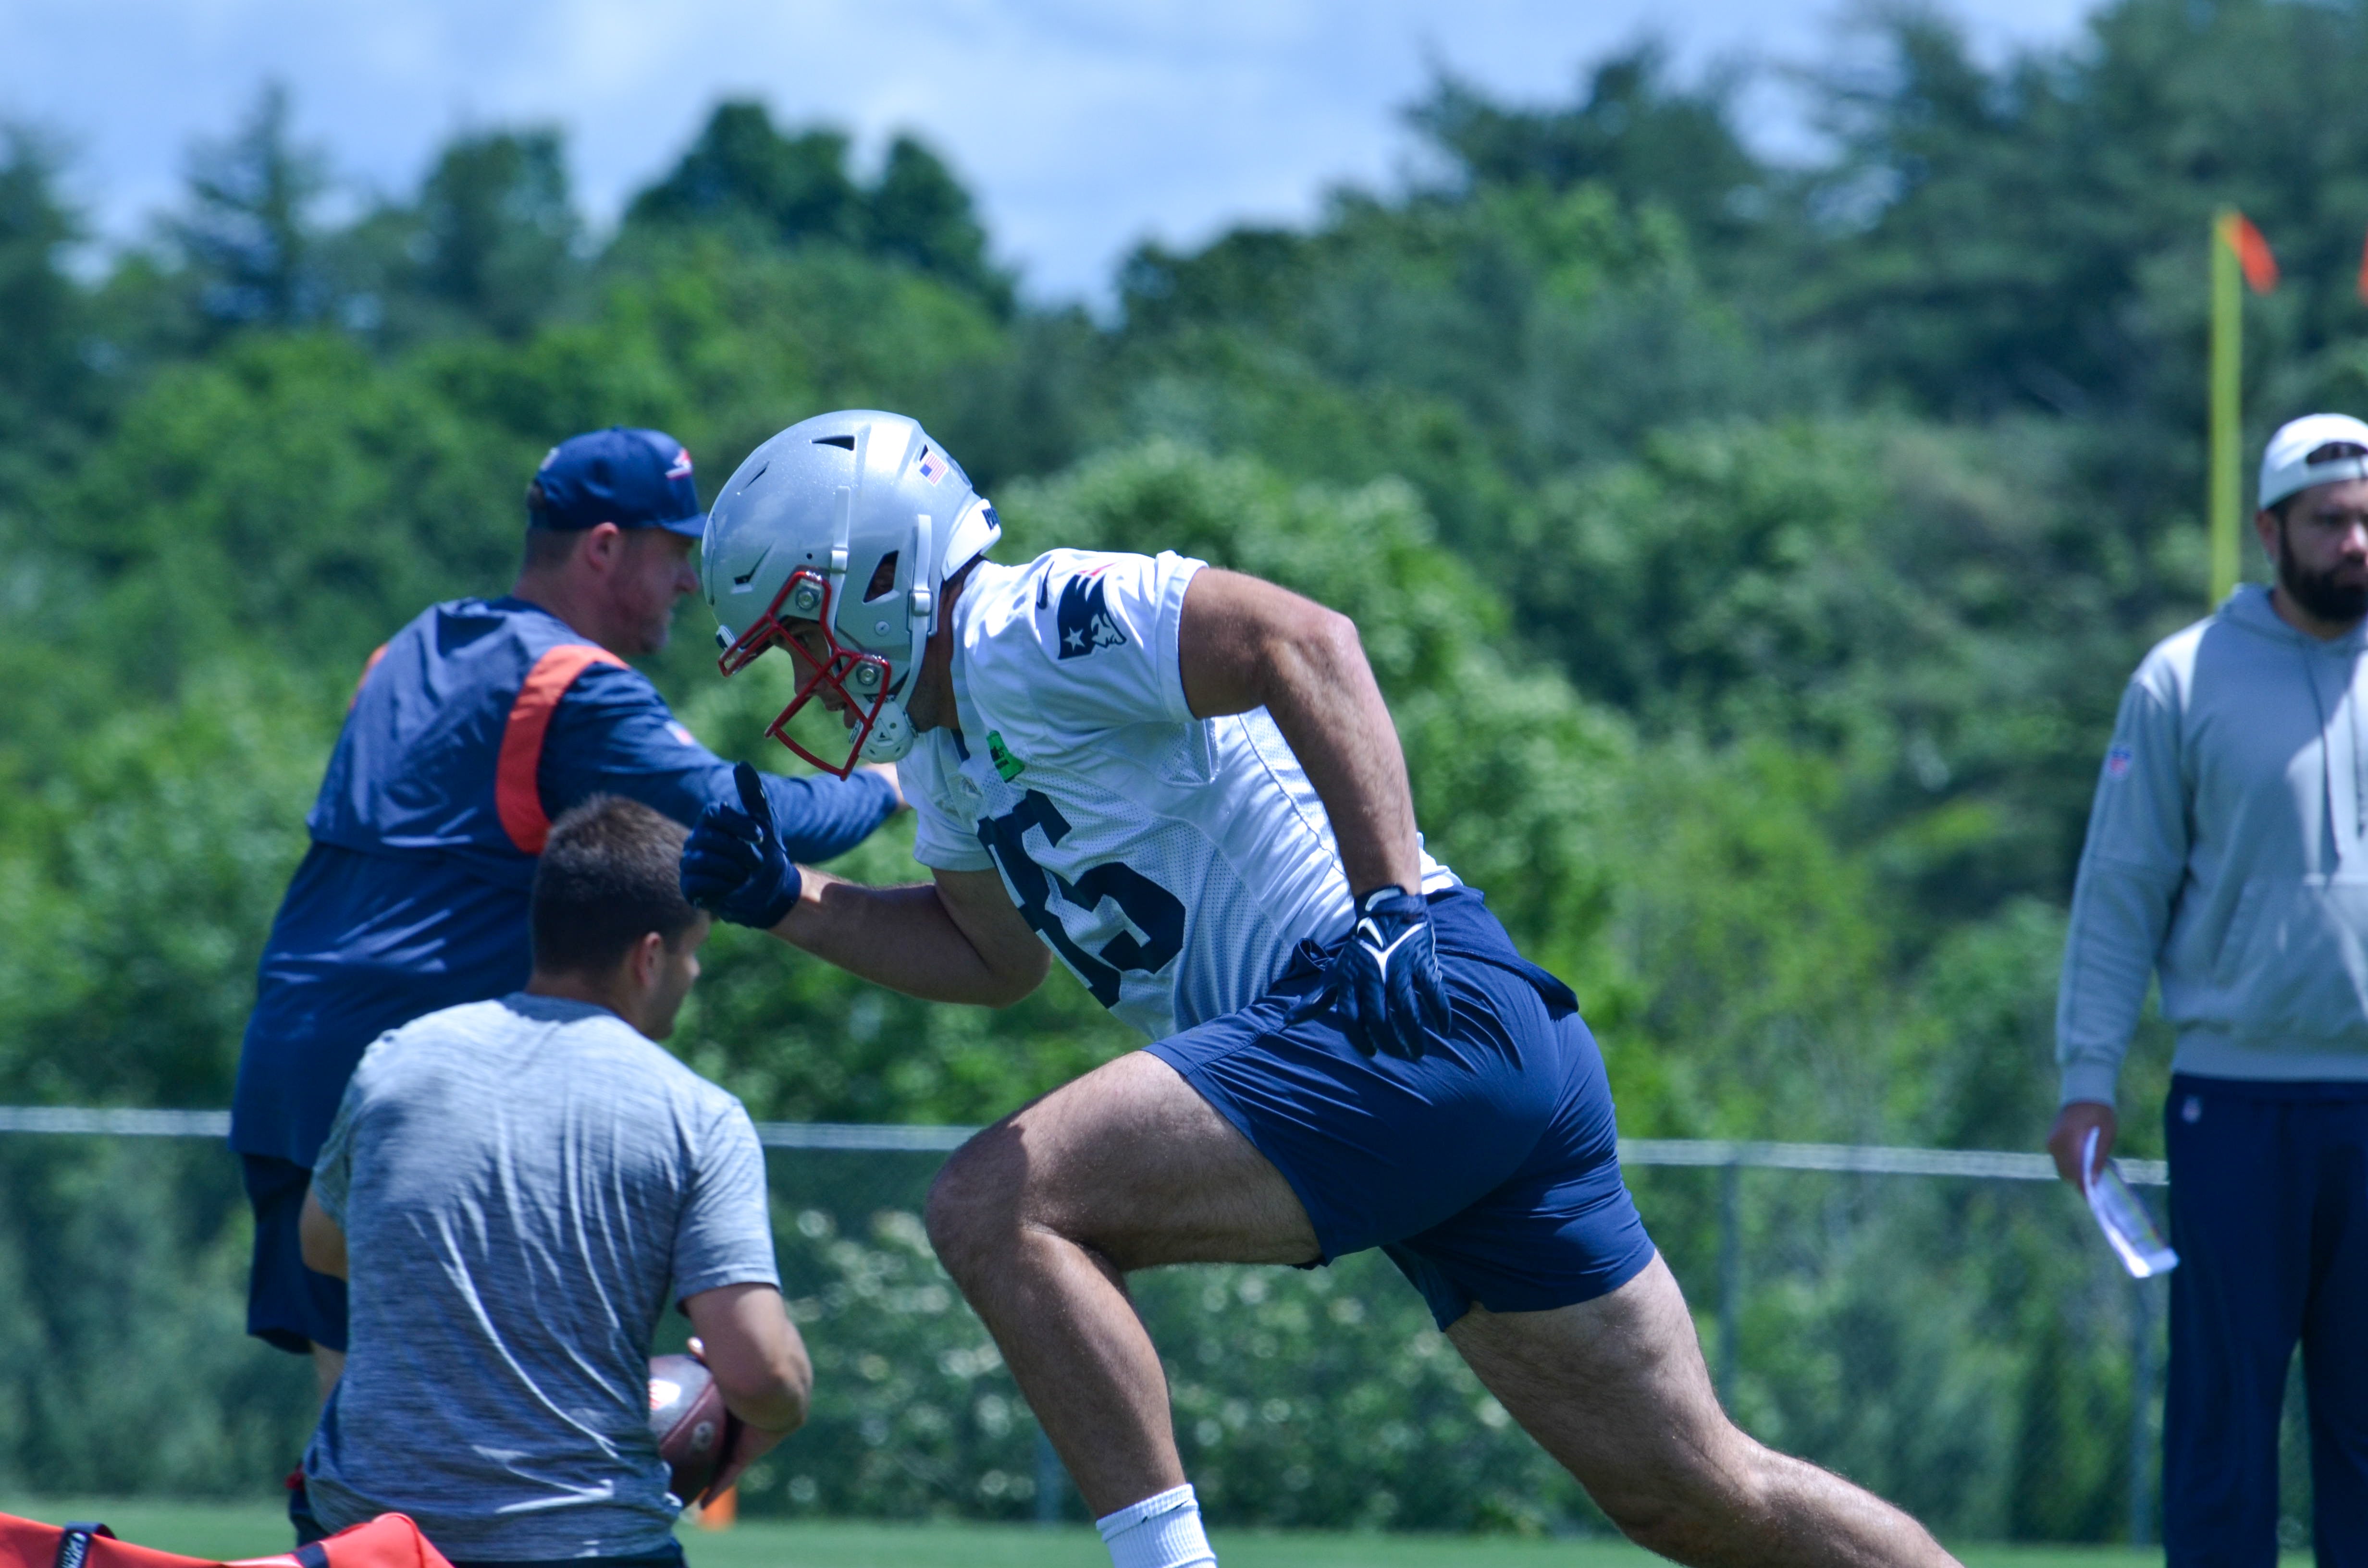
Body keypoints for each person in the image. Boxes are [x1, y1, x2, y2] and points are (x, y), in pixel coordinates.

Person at [676, 409, 1960, 1568]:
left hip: (1401, 1000)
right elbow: (990, 960)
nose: (808, 676)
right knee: (1700, 1499)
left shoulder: (1035, 617)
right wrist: (789, 901)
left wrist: (1388, 901)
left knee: (996, 1206)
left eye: (803, 631)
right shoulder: (952, 759)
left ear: (880, 573)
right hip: (1433, 1052)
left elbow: (1303, 639)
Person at [230, 425, 900, 1409]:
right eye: (675, 553)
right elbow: (748, 818)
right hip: (416, 1082)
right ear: (602, 547)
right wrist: (884, 788)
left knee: (360, 1426)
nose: (685, 583)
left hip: (291, 1064)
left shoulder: (412, 647)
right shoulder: (567, 686)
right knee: (487, 1442)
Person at [296, 795, 807, 1565]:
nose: (693, 972)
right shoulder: (697, 1115)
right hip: (584, 1541)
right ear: (649, 956)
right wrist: (780, 1404)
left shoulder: (398, 1061)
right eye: (692, 950)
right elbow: (760, 1370)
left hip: (367, 1540)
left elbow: (323, 1246)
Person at [2051, 412, 2368, 1563]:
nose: (2356, 540)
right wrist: (2088, 1076)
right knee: (2224, 1433)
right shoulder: (2183, 679)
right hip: (2233, 1102)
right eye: (2330, 520)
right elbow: (2118, 892)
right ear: (2269, 528)